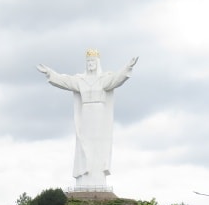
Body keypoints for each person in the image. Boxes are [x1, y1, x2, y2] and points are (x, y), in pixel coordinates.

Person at [37, 50, 139, 188]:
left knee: (99, 147)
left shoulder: (103, 79)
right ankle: (84, 179)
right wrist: (49, 72)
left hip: (100, 116)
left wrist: (128, 66)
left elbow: (117, 79)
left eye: (93, 61)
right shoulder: (80, 80)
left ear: (97, 63)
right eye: (88, 62)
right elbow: (64, 81)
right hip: (85, 116)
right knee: (84, 146)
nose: (90, 64)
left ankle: (98, 180)